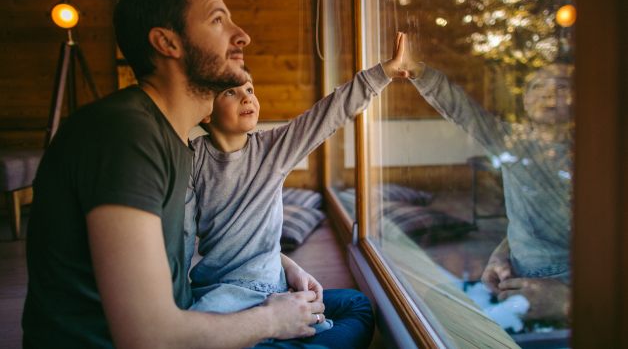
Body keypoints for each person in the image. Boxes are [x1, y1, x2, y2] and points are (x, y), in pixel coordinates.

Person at [22, 0, 327, 349]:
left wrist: (284, 264)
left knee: (345, 305)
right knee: (334, 318)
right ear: (167, 43)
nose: (242, 36)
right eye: (218, 21)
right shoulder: (124, 137)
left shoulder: (177, 143)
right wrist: (271, 319)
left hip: (186, 316)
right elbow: (147, 337)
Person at [185, 32, 410, 348]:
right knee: (192, 337)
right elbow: (178, 241)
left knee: (356, 304)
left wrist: (384, 72)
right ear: (206, 111)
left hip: (273, 288)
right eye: (232, 93)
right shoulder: (190, 159)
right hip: (223, 296)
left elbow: (327, 115)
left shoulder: (273, 148)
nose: (247, 97)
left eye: (249, 89)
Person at [410, 61, 573, 321]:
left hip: (567, 294)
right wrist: (500, 255)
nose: (548, 93)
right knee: (428, 309)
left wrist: (570, 300)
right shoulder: (510, 141)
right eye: (537, 86)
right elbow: (464, 111)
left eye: (562, 86)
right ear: (526, 100)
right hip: (515, 282)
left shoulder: (598, 156)